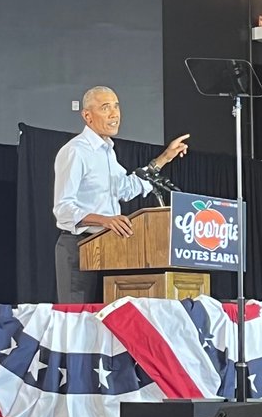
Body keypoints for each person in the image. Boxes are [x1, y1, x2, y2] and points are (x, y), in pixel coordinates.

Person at [52, 86, 190, 302]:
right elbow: (63, 209)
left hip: (110, 248)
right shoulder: (75, 151)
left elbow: (127, 188)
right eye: (105, 107)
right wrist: (105, 220)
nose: (115, 114)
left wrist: (165, 158)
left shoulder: (108, 151)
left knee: (110, 319)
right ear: (87, 116)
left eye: (116, 106)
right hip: (79, 247)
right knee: (77, 322)